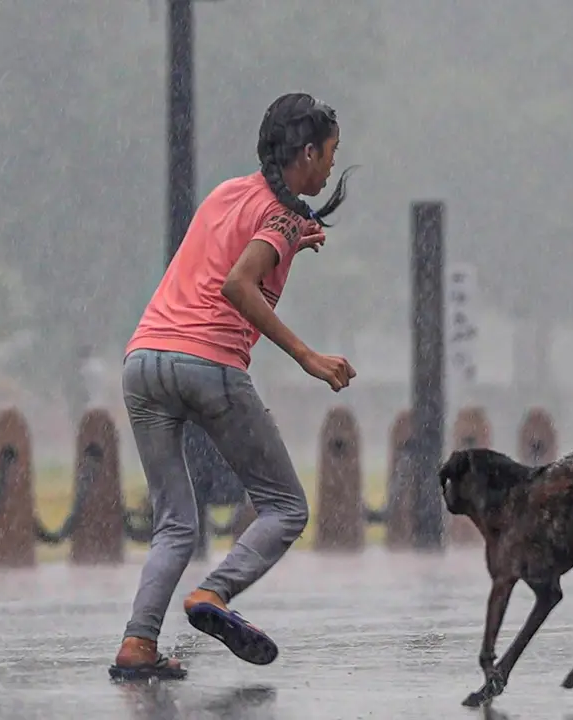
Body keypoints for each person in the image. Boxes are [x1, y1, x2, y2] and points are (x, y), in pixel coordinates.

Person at [108, 92, 358, 681]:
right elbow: (238, 285)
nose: (328, 167)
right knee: (287, 507)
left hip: (144, 361)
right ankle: (212, 596)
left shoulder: (229, 193)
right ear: (305, 153)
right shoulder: (281, 217)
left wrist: (296, 234)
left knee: (175, 521)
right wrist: (308, 357)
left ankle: (138, 645)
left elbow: (227, 249)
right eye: (328, 155)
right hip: (207, 363)